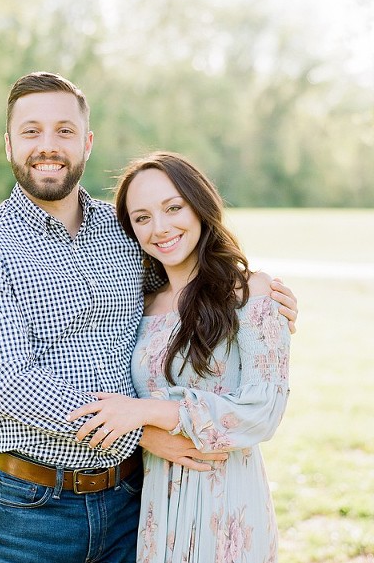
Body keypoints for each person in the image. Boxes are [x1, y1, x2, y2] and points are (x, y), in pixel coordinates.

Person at [0, 71, 298, 563]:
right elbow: (7, 379)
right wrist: (142, 430)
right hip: (35, 509)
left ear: (87, 142)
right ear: (8, 144)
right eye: (31, 131)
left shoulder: (123, 233)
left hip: (137, 502)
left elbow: (185, 276)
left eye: (64, 130)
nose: (48, 145)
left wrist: (257, 294)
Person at [69, 151, 291, 563]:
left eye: (174, 208)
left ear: (200, 205)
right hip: (154, 503)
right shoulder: (140, 303)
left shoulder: (249, 293)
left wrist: (148, 411)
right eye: (142, 217)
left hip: (225, 500)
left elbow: (264, 410)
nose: (161, 228)